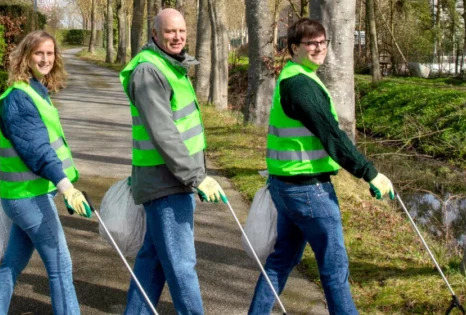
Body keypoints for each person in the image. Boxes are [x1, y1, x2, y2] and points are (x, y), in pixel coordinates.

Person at [247, 18, 395, 315]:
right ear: (293, 49)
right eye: (311, 43)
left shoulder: (294, 76)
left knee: (282, 260)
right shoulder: (300, 85)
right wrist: (370, 173)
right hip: (308, 191)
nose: (319, 48)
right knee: (334, 269)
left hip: (286, 187)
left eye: (323, 42)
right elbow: (331, 135)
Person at [119, 8, 227, 315]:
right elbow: (163, 133)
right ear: (155, 34)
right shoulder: (149, 70)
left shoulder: (170, 66)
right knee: (181, 264)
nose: (177, 37)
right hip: (166, 182)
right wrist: (197, 176)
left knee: (152, 259)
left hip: (171, 179)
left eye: (181, 31)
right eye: (169, 32)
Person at [0, 30, 91, 315]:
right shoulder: (19, 98)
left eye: (50, 53)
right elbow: (37, 150)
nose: (45, 59)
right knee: (60, 267)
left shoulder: (37, 91)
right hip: (28, 199)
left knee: (12, 265)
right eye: (38, 53)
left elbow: (20, 146)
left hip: (26, 195)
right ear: (25, 57)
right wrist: (67, 187)